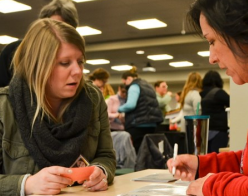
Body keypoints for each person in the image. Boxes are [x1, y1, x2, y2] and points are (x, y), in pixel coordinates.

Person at [167, 0, 248, 195]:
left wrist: (210, 185)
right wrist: (202, 165)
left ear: (243, 30)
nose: (211, 57)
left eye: (212, 41)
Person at [0, 19, 116, 195]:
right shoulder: (3, 107)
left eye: (80, 61)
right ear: (37, 66)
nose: (77, 71)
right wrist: (27, 184)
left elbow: (106, 155)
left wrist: (101, 171)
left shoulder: (93, 98)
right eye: (64, 63)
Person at [0, 0, 79, 87]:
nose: (58, 32)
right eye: (53, 26)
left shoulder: (75, 54)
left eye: (65, 29)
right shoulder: (14, 50)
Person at [118, 66, 163, 153]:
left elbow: (131, 105)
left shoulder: (134, 86)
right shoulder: (148, 85)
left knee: (137, 151)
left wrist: (119, 109)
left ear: (129, 78)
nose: (125, 86)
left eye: (125, 83)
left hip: (138, 124)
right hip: (152, 124)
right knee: (148, 151)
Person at [200, 70, 230, 153]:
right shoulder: (218, 92)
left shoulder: (203, 94)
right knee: (219, 158)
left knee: (208, 157)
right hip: (218, 131)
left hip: (206, 131)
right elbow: (232, 103)